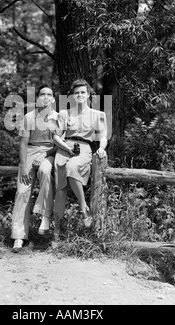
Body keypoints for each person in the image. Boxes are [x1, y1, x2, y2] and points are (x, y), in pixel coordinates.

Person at [52, 79, 108, 241]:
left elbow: (103, 136)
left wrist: (102, 148)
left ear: (89, 94)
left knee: (72, 167)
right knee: (60, 190)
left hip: (84, 148)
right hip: (65, 147)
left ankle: (84, 208)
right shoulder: (65, 114)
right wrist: (66, 148)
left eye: (83, 92)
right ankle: (57, 233)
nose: (80, 95)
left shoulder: (98, 115)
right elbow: (56, 136)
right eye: (76, 92)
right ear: (72, 96)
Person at [11, 84, 58, 253]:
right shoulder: (29, 117)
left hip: (50, 151)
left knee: (45, 172)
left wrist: (45, 156)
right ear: (38, 98)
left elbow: (59, 143)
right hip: (30, 151)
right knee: (22, 190)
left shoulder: (58, 118)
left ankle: (44, 216)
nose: (46, 97)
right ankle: (18, 236)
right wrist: (24, 166)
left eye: (49, 94)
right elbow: (23, 143)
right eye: (42, 94)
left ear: (53, 99)